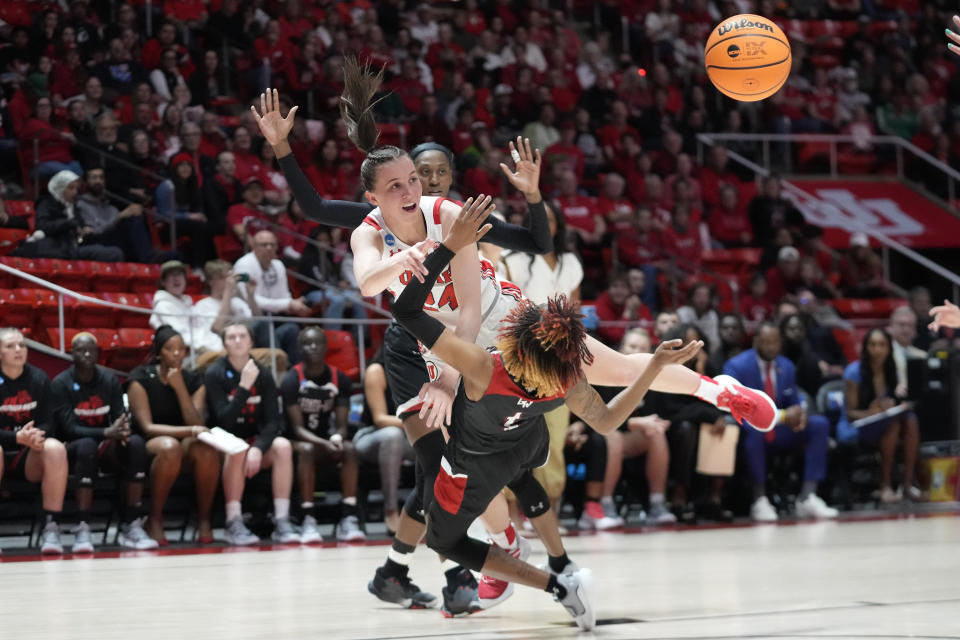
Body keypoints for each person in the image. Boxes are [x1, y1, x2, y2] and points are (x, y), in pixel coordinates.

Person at [253, 80, 776, 608]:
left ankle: (718, 390)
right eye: (396, 186)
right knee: (462, 462)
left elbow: (475, 308)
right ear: (372, 197)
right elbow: (366, 279)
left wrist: (450, 378)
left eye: (415, 180)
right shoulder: (366, 231)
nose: (411, 191)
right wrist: (399, 264)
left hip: (503, 322)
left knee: (609, 370)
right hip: (441, 344)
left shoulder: (449, 215)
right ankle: (504, 544)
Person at [391, 202, 708, 631]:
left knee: (442, 537)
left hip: (478, 460)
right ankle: (560, 557)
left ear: (516, 336)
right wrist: (651, 367)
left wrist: (448, 246)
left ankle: (558, 585)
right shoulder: (565, 380)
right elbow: (608, 421)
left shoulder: (483, 366)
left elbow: (407, 313)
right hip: (526, 444)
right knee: (523, 473)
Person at [501, 201, 583, 529]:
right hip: (520, 357)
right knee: (514, 438)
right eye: (538, 219)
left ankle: (547, 515)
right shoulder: (512, 258)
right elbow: (507, 308)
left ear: (559, 225)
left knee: (554, 437)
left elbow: (575, 314)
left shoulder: (571, 262)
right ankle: (511, 519)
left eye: (549, 219)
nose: (544, 225)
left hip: (559, 360)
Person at [723, 323, 839, 522]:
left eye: (775, 342)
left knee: (819, 424)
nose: (771, 347)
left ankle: (807, 496)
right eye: (766, 342)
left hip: (780, 427)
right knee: (753, 428)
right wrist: (783, 415)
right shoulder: (736, 366)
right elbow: (735, 405)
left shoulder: (786, 366)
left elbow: (793, 402)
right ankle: (759, 499)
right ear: (755, 342)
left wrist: (798, 414)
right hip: (749, 431)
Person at [53, 333, 156, 551]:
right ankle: (82, 527)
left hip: (105, 444)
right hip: (73, 449)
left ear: (99, 354)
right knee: (86, 446)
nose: (87, 354)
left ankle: (131, 524)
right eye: (81, 350)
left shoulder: (109, 380)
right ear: (71, 354)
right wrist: (107, 432)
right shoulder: (61, 383)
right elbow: (69, 429)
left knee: (136, 444)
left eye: (92, 350)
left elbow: (119, 417)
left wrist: (123, 430)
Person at [205, 322, 299, 545]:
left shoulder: (263, 373)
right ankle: (233, 521)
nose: (237, 340)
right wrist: (244, 388)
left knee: (283, 446)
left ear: (251, 342)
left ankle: (282, 520)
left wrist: (258, 448)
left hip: (253, 443)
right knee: (237, 448)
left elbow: (273, 421)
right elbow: (223, 420)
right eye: (231, 337)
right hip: (224, 443)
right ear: (225, 344)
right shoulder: (214, 373)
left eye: (242, 336)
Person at [128, 326, 219, 544]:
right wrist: (190, 431)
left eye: (181, 349)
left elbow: (196, 423)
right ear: (159, 353)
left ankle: (204, 518)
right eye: (170, 349)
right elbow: (148, 427)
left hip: (184, 442)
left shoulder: (193, 380)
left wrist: (179, 388)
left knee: (206, 449)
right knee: (170, 447)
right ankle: (155, 518)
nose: (177, 354)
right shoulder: (140, 378)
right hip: (149, 444)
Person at [280, 327, 365, 543]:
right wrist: (324, 443)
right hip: (296, 443)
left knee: (350, 449)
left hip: (324, 441)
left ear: (326, 347)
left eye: (318, 343)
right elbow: (297, 429)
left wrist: (336, 438)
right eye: (308, 344)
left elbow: (342, 425)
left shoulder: (340, 380)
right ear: (300, 349)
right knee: (307, 449)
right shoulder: (291, 379)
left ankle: (348, 517)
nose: (314, 347)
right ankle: (308, 519)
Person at [0, 328, 68, 555]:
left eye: (22, 345)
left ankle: (51, 527)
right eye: (10, 346)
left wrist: (36, 436)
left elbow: (49, 421)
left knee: (55, 448)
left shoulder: (38, 378)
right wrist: (15, 437)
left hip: (28, 455)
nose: (18, 350)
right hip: (3, 448)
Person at [837, 329, 921, 503]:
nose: (877, 350)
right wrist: (873, 412)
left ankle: (907, 485)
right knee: (893, 425)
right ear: (865, 348)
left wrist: (894, 405)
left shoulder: (891, 371)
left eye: (882, 345)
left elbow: (889, 403)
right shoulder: (853, 372)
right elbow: (850, 414)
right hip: (855, 426)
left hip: (881, 423)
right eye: (873, 345)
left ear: (889, 349)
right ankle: (885, 485)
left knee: (911, 420)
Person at [234, 230, 312, 364]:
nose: (269, 248)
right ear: (254, 246)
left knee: (292, 329)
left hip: (272, 319)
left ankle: (296, 374)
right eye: (264, 245)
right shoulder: (244, 264)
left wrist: (292, 304)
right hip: (248, 321)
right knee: (263, 323)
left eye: (272, 245)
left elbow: (283, 296)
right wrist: (287, 304)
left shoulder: (278, 265)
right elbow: (251, 300)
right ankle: (279, 370)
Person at [26, 170, 124, 262]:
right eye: (70, 188)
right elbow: (42, 226)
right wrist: (69, 224)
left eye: (76, 188)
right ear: (61, 187)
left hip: (74, 246)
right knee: (112, 252)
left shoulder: (73, 205)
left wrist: (84, 230)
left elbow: (79, 225)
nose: (75, 192)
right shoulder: (47, 203)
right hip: (57, 247)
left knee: (115, 249)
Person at [75, 166, 154, 262]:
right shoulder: (81, 204)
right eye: (94, 178)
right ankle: (148, 259)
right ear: (86, 182)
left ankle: (148, 257)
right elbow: (94, 232)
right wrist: (119, 217)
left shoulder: (110, 207)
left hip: (116, 242)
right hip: (97, 242)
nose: (98, 181)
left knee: (134, 219)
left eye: (101, 177)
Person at [677, 283, 720, 352]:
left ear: (710, 298)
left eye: (706, 296)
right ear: (692, 297)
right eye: (699, 295)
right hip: (684, 348)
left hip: (705, 349)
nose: (702, 299)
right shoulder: (682, 312)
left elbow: (714, 340)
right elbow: (681, 337)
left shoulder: (712, 315)